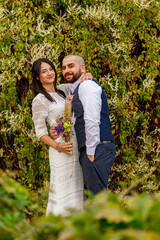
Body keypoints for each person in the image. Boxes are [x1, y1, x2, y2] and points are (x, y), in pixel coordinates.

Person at [31, 58, 92, 216]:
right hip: (60, 149)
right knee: (62, 190)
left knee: (76, 187)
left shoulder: (63, 90)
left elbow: (80, 81)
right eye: (44, 71)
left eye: (51, 69)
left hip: (75, 146)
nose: (49, 73)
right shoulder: (39, 100)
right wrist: (58, 146)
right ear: (37, 77)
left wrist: (87, 75)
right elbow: (40, 132)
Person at [59, 54, 116, 195]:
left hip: (96, 149)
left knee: (98, 201)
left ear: (82, 68)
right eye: (64, 67)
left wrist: (91, 153)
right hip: (93, 149)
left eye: (71, 66)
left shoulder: (87, 86)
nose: (67, 70)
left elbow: (92, 119)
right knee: (95, 200)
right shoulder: (75, 88)